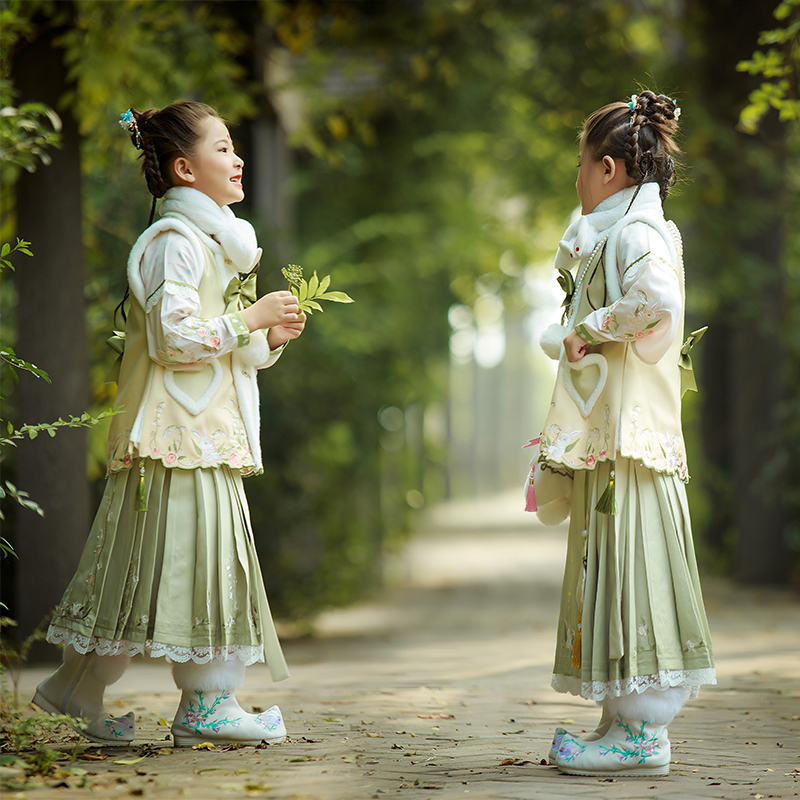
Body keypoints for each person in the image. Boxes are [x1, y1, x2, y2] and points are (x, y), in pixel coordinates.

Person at [32, 101, 306, 747]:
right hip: (180, 435)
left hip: (192, 433)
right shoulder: (175, 242)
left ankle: (77, 687)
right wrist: (252, 319)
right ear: (185, 168)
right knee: (201, 560)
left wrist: (269, 334)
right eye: (222, 148)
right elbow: (174, 339)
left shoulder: (209, 242)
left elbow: (215, 344)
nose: (237, 160)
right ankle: (207, 704)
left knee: (148, 564)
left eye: (235, 147)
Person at [532, 91, 715, 778]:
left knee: (633, 560)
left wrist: (586, 327)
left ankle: (642, 731)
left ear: (608, 169)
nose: (577, 179)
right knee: (614, 559)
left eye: (581, 166)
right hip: (619, 437)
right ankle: (622, 717)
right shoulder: (627, 230)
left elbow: (657, 304)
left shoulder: (633, 235)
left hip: (632, 440)